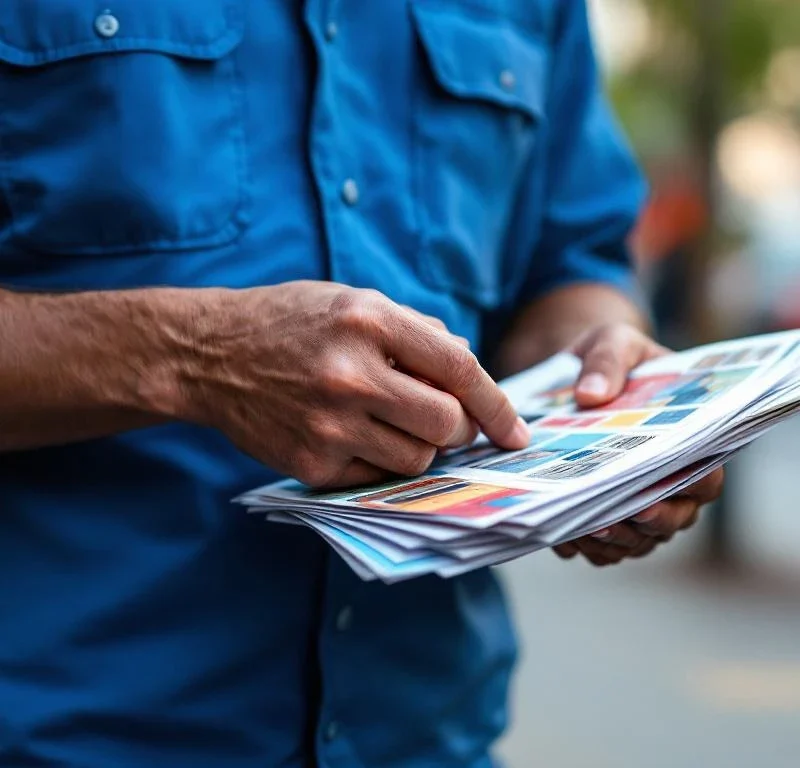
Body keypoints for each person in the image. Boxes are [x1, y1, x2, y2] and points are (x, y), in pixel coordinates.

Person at [0, 2, 723, 766]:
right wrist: (197, 354)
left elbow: (570, 263)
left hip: (433, 738)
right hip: (66, 735)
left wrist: (604, 397)